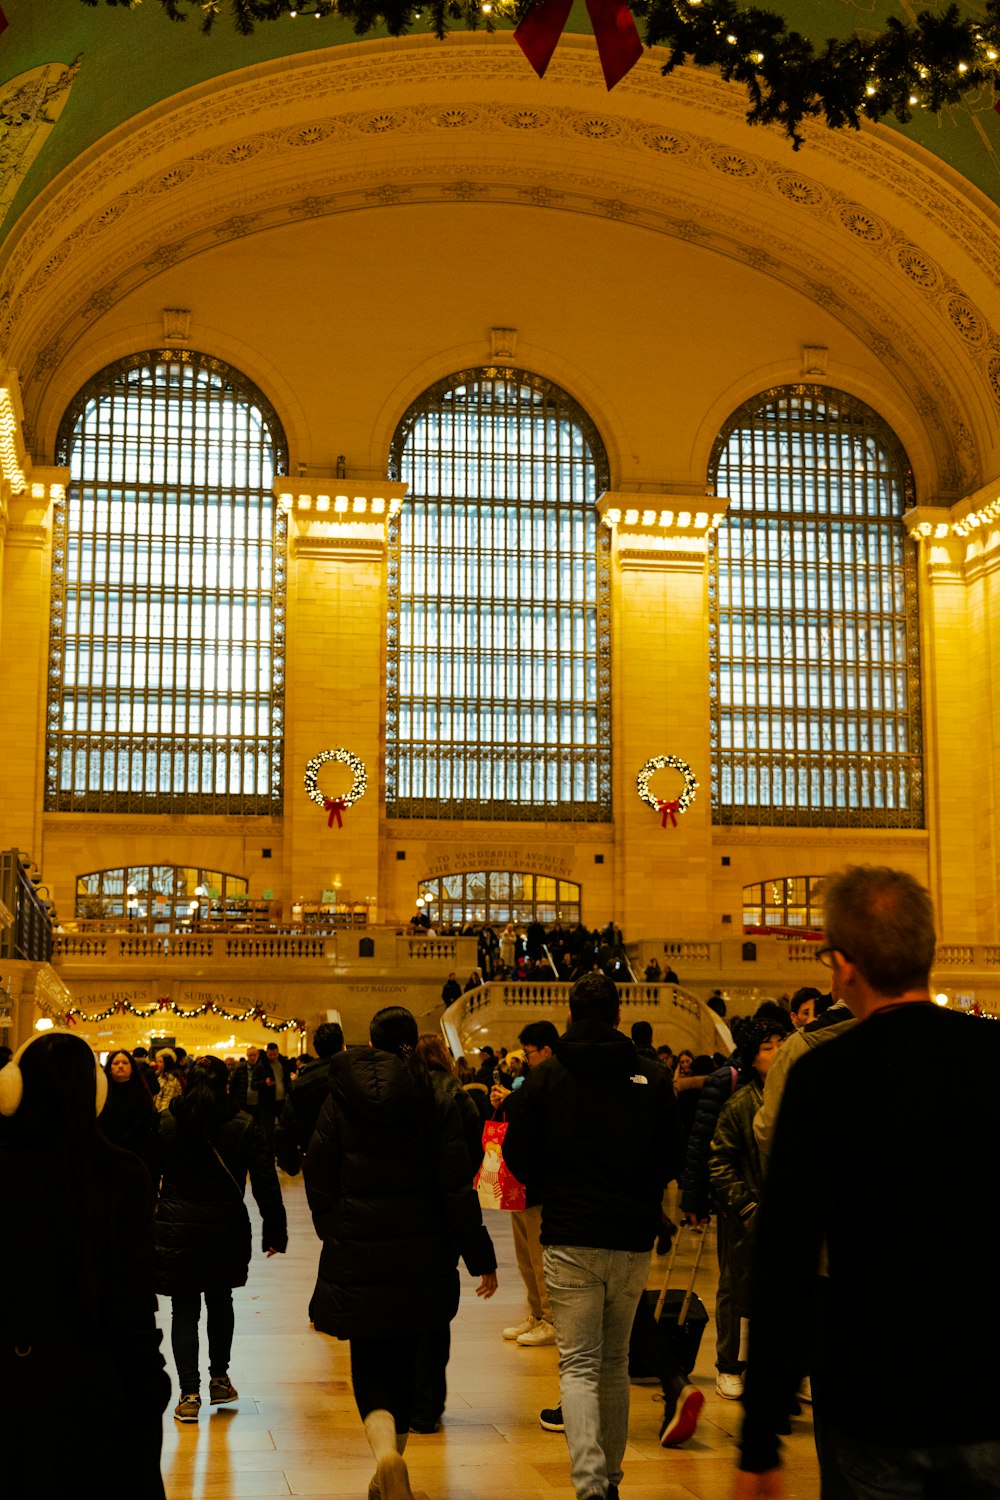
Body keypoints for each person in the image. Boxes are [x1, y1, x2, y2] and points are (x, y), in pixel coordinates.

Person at [735, 865, 1000, 1499]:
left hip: (875, 1399)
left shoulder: (826, 1077)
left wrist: (761, 1437)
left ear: (846, 965)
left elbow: (785, 1260)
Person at [304, 1005, 498, 1500]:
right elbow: (457, 1186)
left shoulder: (341, 1094)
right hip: (424, 1253)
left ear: (370, 1042)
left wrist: (335, 1227)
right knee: (409, 1364)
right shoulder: (437, 1095)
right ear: (414, 1043)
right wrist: (480, 1256)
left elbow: (317, 1168)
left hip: (360, 1252)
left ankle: (384, 1458)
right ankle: (394, 1465)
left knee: (369, 1368)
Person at [503, 973, 681, 1500]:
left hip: (570, 1233)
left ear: (569, 1016)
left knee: (578, 1364)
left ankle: (589, 1486)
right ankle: (612, 1480)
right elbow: (671, 1156)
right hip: (630, 1236)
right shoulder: (651, 1076)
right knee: (614, 1362)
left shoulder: (547, 1077)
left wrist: (554, 1178)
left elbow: (517, 1156)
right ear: (619, 1015)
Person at [0, 1031, 170, 1497]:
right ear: (95, 1095)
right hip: (103, 1378)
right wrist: (149, 1382)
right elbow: (134, 1294)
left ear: (13, 1089)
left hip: (15, 1382)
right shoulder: (122, 1174)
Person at [155, 1055, 288, 1422]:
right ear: (226, 1085)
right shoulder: (243, 1125)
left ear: (185, 1083)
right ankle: (219, 1378)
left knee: (183, 1308)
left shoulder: (166, 1123)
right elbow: (265, 1182)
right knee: (219, 1300)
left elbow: (148, 1178)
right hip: (225, 1225)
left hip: (176, 1227)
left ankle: (188, 1394)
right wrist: (275, 1229)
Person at [708, 1019, 785, 1401]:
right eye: (768, 1047)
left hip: (785, 1212)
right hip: (746, 1214)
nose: (777, 1051)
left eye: (780, 1044)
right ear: (753, 1057)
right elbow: (719, 1159)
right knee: (734, 1289)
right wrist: (746, 1204)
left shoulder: (796, 1095)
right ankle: (727, 1364)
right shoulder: (740, 1103)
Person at [490, 1019, 561, 1349]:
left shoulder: (557, 1077)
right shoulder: (536, 1077)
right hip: (520, 1180)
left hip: (541, 1181)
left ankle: (550, 1318)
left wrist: (511, 1100)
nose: (526, 1058)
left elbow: (541, 1116)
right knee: (524, 1256)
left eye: (529, 1053)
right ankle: (535, 1311)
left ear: (546, 1050)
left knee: (539, 1254)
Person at [275, 1020, 345, 1173]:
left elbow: (285, 1129)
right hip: (351, 1158)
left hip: (316, 1156)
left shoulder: (300, 1085)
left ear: (316, 1049)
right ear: (342, 1046)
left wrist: (291, 1164)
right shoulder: (353, 1077)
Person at [100, 1047, 160, 1180]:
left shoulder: (143, 1095)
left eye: (125, 1063)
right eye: (116, 1063)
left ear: (132, 1068)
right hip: (106, 1157)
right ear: (110, 1068)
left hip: (135, 1159)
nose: (120, 1066)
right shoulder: (100, 1094)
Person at [253, 1040, 294, 1152]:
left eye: (274, 1054)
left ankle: (282, 1150)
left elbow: (286, 1079)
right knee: (268, 1129)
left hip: (282, 1100)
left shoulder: (283, 1062)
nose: (272, 1057)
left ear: (278, 1052)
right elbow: (253, 1085)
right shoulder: (261, 1066)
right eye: (270, 1054)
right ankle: (269, 1150)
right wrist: (264, 1083)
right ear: (266, 1053)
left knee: (284, 1126)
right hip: (267, 1102)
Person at [152, 1046, 184, 1113]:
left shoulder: (170, 1078)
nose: (157, 1063)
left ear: (167, 1063)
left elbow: (167, 1100)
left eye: (160, 1061)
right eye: (157, 1061)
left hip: (165, 1114)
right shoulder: (160, 1076)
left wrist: (157, 1112)